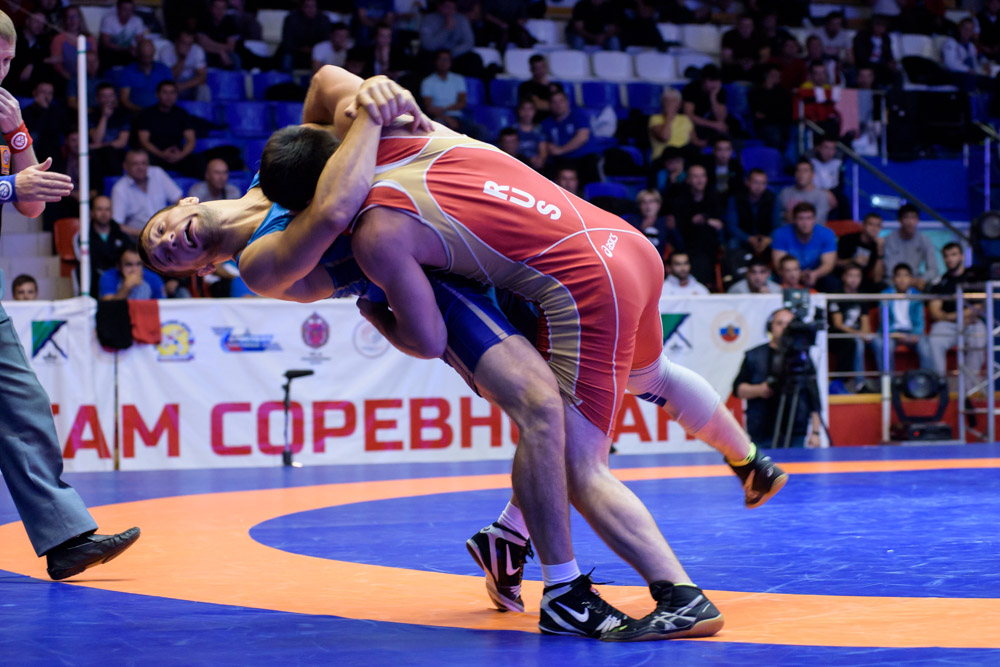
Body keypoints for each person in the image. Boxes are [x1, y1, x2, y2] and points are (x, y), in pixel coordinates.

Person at [141, 67, 786, 641]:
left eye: (161, 230)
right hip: (528, 263)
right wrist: (375, 102)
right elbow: (336, 204)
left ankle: (542, 553)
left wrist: (369, 102)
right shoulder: (270, 253)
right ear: (198, 272)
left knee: (578, 432)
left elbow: (324, 91)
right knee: (559, 407)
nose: (168, 242)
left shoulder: (334, 184)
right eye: (164, 256)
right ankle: (566, 564)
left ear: (183, 201)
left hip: (499, 269)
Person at [0, 9, 140, 580]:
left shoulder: (4, 113)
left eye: (8, 61)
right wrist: (10, 183)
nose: (2, 72)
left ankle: (65, 538)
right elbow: (15, 189)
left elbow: (32, 204)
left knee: (24, 407)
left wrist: (18, 135)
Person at [734, 308, 822, 448]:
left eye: (789, 324)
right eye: (780, 323)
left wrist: (816, 432)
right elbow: (738, 389)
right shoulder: (754, 355)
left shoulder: (802, 358)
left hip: (795, 430)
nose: (784, 328)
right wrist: (759, 390)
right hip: (762, 429)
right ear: (771, 327)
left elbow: (813, 396)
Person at [922, 242, 988, 391]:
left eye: (953, 255)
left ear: (962, 256)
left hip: (971, 323)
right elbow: (935, 313)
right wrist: (958, 316)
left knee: (978, 340)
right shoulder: (940, 282)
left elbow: (979, 308)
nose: (950, 259)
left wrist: (951, 315)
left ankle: (969, 389)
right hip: (947, 325)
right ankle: (940, 386)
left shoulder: (974, 277)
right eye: (946, 256)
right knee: (934, 341)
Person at [666, 163, 724, 288]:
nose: (699, 180)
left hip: (709, 245)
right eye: (695, 176)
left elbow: (720, 224)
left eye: (702, 176)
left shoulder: (714, 197)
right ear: (688, 180)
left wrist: (704, 220)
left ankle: (705, 284)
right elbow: (680, 227)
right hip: (686, 244)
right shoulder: (680, 200)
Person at [871, 263, 930, 373]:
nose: (902, 280)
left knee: (925, 345)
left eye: (906, 276)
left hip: (911, 333)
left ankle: (926, 380)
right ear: (894, 279)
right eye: (899, 276)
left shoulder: (917, 295)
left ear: (911, 279)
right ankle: (888, 381)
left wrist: (914, 335)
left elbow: (920, 322)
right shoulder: (885, 294)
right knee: (883, 345)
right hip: (891, 333)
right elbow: (884, 322)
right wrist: (896, 334)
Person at [111, 149, 183, 237]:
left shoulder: (158, 173)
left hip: (167, 233)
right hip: (138, 238)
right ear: (125, 166)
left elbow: (180, 201)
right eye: (135, 164)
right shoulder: (120, 189)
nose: (140, 167)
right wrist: (146, 234)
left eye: (144, 163)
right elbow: (118, 226)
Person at [135, 80, 198, 177]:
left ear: (176, 95)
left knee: (197, 161)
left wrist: (180, 155)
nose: (169, 96)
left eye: (172, 93)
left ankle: (198, 187)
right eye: (165, 92)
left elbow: (191, 140)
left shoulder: (182, 114)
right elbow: (144, 141)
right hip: (155, 155)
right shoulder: (147, 114)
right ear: (157, 94)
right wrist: (161, 154)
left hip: (177, 156)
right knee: (144, 160)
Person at [771, 202, 838, 292]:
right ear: (794, 220)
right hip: (789, 274)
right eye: (801, 218)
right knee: (776, 280)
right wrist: (798, 275)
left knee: (831, 282)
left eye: (809, 218)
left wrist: (814, 274)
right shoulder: (780, 234)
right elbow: (779, 265)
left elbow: (828, 265)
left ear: (814, 219)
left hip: (816, 274)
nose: (805, 223)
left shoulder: (827, 234)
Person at [828, 262, 871, 392]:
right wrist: (858, 334)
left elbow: (865, 322)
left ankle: (887, 382)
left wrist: (865, 334)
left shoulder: (862, 296)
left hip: (856, 334)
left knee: (880, 342)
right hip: (837, 335)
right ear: (844, 277)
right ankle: (859, 384)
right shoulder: (836, 295)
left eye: (857, 276)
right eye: (850, 275)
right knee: (855, 342)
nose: (854, 279)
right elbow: (838, 324)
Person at [73, 195, 133, 291]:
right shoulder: (83, 236)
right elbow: (84, 261)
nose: (104, 213)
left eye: (107, 209)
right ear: (92, 212)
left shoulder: (121, 234)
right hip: (94, 284)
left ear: (112, 212)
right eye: (99, 209)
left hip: (119, 281)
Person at [725, 167, 780, 257]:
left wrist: (768, 239)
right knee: (733, 243)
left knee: (780, 241)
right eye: (755, 182)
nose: (759, 186)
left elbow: (777, 225)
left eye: (763, 183)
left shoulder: (772, 198)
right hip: (744, 238)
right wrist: (748, 238)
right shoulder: (736, 198)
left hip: (765, 238)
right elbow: (732, 226)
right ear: (747, 182)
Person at [883, 204, 940, 291]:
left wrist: (923, 279)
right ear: (900, 220)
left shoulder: (924, 240)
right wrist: (905, 280)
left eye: (913, 218)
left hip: (917, 283)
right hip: (894, 282)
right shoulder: (889, 240)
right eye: (906, 217)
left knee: (933, 288)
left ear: (917, 220)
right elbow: (889, 270)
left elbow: (933, 269)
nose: (910, 222)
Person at [118, 39, 173, 113]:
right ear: (138, 53)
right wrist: (142, 112)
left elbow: (171, 94)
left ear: (153, 53)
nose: (147, 60)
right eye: (144, 56)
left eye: (149, 56)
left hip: (161, 113)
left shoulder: (164, 70)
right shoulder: (128, 71)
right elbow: (124, 100)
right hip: (135, 113)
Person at [648, 88, 700, 163]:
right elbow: (664, 137)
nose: (669, 103)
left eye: (673, 100)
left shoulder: (685, 119)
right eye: (666, 100)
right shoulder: (655, 118)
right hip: (662, 159)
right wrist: (669, 116)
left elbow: (695, 142)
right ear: (662, 102)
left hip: (682, 158)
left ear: (679, 103)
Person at [837, 212, 885, 290]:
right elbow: (835, 263)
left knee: (879, 286)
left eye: (878, 225)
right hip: (841, 277)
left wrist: (880, 251)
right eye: (871, 224)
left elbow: (877, 279)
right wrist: (853, 260)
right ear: (863, 225)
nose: (874, 228)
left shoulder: (877, 246)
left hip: (862, 280)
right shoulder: (848, 239)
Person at [280, 0, 332, 70]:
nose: (310, 9)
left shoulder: (323, 19)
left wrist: (314, 49)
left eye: (313, 6)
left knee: (324, 55)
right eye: (307, 6)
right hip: (295, 51)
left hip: (316, 51)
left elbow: (325, 40)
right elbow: (287, 41)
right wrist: (301, 49)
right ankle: (286, 76)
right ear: (302, 7)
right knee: (287, 56)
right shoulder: (291, 19)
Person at [99, 247, 166, 300]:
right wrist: (126, 287)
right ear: (118, 266)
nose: (134, 270)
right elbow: (108, 308)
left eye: (138, 264)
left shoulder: (154, 279)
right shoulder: (108, 277)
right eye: (129, 265)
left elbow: (163, 306)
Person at [778, 159, 831, 225]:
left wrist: (794, 218)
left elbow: (818, 222)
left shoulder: (821, 196)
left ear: (813, 175)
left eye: (805, 171)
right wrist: (785, 216)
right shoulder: (784, 193)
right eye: (798, 170)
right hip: (786, 230)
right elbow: (776, 217)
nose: (801, 174)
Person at [159, 29, 207, 101]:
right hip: (173, 86)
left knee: (204, 89)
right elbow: (167, 78)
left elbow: (202, 78)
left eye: (189, 44)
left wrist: (184, 86)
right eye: (183, 43)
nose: (186, 46)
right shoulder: (166, 51)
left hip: (190, 85)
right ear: (176, 41)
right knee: (166, 89)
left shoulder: (197, 51)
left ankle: (201, 108)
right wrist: (181, 59)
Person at [99, 0, 147, 69]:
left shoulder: (137, 20)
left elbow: (140, 41)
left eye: (130, 10)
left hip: (130, 53)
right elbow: (105, 43)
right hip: (112, 53)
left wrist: (137, 50)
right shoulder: (108, 20)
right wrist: (125, 49)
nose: (128, 13)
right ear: (118, 9)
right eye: (125, 9)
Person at [720, 14, 767, 82]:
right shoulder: (729, 36)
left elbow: (765, 57)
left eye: (748, 26)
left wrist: (753, 63)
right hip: (734, 70)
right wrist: (739, 62)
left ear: (753, 26)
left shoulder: (760, 36)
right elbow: (726, 58)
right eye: (743, 25)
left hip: (755, 70)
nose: (745, 28)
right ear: (738, 26)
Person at [518, 54, 560, 119]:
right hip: (534, 121)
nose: (540, 71)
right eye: (536, 68)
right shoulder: (525, 87)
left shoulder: (556, 86)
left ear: (546, 67)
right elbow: (536, 105)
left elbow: (563, 108)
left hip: (554, 121)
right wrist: (553, 105)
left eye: (542, 67)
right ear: (531, 69)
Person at [514, 98, 547, 170]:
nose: (527, 112)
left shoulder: (539, 130)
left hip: (535, 165)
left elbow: (543, 152)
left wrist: (540, 160)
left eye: (530, 109)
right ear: (519, 111)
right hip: (517, 163)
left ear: (535, 111)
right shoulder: (513, 129)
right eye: (523, 109)